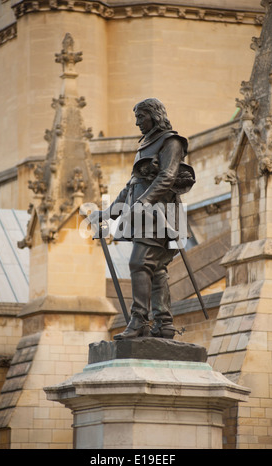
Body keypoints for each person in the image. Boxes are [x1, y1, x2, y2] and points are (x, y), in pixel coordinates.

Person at [89, 98, 195, 340]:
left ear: (154, 116)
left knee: (139, 263)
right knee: (156, 269)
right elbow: (132, 186)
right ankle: (164, 323)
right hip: (144, 217)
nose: (137, 122)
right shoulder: (146, 144)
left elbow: (167, 177)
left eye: (141, 117)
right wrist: (107, 213)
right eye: (136, 117)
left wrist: (143, 203)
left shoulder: (171, 142)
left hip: (162, 216)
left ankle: (138, 321)